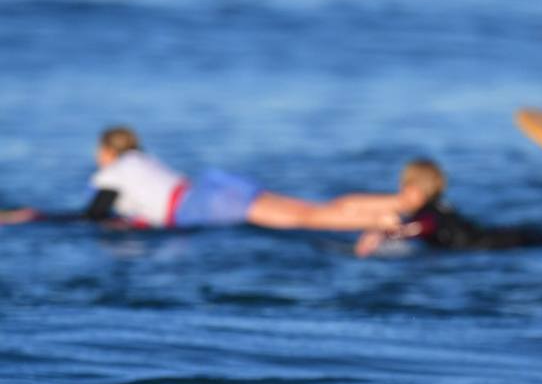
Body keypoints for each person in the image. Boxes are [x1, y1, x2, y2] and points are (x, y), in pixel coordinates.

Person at [4, 126, 404, 232]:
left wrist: (34, 216)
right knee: (311, 210)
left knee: (305, 220)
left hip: (201, 205)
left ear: (106, 151)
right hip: (213, 188)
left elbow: (92, 215)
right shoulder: (142, 159)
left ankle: (382, 221)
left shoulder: (114, 169)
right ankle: (395, 204)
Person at [353, 159, 542, 256]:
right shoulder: (440, 207)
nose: (401, 194)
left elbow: (423, 226)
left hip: (500, 243)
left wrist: (384, 234)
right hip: (504, 237)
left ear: (415, 190)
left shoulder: (428, 215)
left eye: (404, 188)